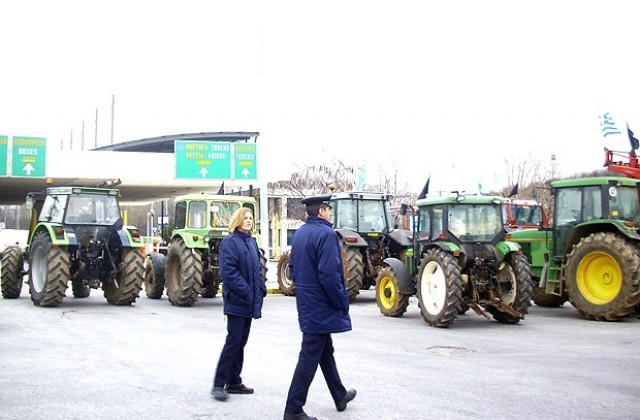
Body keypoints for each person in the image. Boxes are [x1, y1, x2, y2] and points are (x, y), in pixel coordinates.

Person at [283, 194, 356, 420]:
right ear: (322, 211)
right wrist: (341, 302)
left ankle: (339, 394)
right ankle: (293, 409)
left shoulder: (300, 234)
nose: (330, 213)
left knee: (325, 350)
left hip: (307, 302)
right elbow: (330, 274)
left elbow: (293, 268)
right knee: (309, 355)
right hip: (321, 304)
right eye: (328, 209)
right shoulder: (326, 234)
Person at [211, 207, 267, 402]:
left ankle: (234, 381)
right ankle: (219, 384)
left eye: (251, 218)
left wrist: (261, 289)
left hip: (249, 301)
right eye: (246, 218)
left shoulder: (251, 242)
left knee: (241, 342)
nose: (249, 221)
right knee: (233, 341)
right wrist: (247, 292)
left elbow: (256, 270)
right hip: (237, 301)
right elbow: (228, 272)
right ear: (238, 221)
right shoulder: (230, 242)